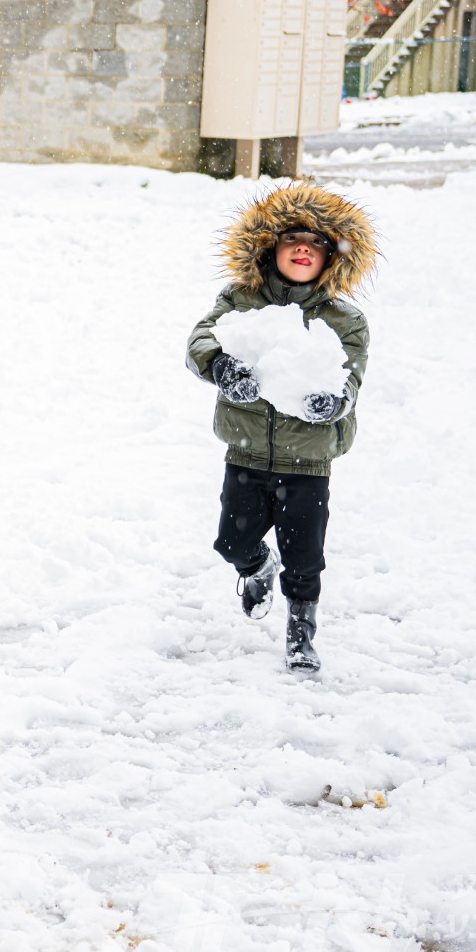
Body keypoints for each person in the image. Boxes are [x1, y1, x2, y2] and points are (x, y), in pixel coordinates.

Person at [185, 184, 376, 674]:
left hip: (308, 460)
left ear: (331, 260)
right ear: (272, 248)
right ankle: (256, 568)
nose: (303, 249)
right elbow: (200, 341)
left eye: (316, 245)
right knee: (232, 543)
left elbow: (350, 376)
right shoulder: (241, 301)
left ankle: (300, 632)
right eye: (293, 239)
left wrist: (333, 401)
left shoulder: (344, 320)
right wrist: (221, 366)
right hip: (246, 452)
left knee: (305, 557)